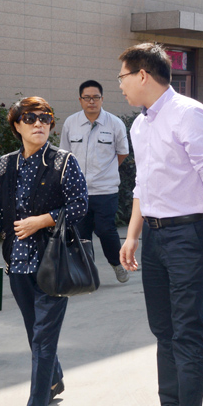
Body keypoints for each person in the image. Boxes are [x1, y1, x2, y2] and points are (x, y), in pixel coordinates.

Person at [118, 43, 203, 406]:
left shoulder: (190, 113)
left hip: (190, 234)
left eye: (122, 77)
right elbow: (143, 184)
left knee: (187, 330)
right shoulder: (139, 125)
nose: (120, 86)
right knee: (163, 328)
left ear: (142, 75)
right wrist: (132, 235)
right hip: (153, 236)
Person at [0, 97, 88, 406]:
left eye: (45, 118)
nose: (39, 123)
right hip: (17, 262)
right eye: (30, 118)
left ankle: (35, 404)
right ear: (17, 125)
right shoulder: (5, 165)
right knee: (33, 330)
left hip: (53, 262)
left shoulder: (64, 162)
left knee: (43, 336)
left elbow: (80, 205)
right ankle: (54, 379)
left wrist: (42, 220)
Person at [60, 80, 131, 283]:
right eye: (87, 98)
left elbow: (122, 153)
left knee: (106, 230)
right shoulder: (71, 123)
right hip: (78, 191)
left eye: (96, 97)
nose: (91, 101)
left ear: (102, 98)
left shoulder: (114, 124)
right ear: (80, 100)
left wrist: (105, 171)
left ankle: (117, 264)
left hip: (105, 190)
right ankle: (86, 273)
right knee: (81, 234)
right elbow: (65, 154)